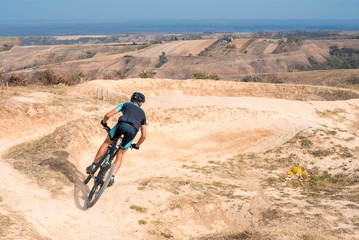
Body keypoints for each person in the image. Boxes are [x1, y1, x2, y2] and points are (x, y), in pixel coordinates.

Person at [86, 92, 146, 186]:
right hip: (132, 132)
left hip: (121, 125)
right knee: (120, 155)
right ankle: (111, 177)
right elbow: (143, 136)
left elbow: (108, 115)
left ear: (131, 99)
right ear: (141, 103)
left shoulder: (125, 104)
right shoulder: (143, 114)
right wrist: (136, 145)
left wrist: (104, 123)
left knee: (106, 142)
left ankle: (93, 165)